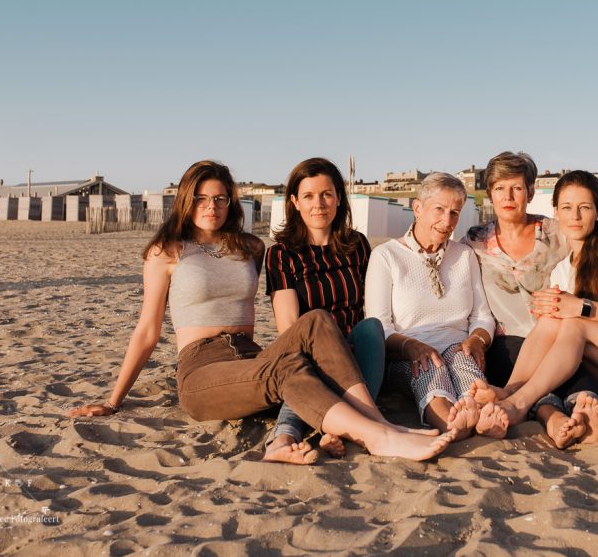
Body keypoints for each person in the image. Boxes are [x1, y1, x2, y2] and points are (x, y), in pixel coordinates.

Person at [68, 160, 454, 463]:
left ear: (231, 203)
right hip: (202, 366)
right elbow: (147, 330)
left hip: (251, 355)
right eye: (201, 198)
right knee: (289, 367)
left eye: (220, 199)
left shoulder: (250, 248)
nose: (212, 207)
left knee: (316, 323)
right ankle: (378, 434)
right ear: (186, 200)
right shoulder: (166, 252)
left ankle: (368, 424)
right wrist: (114, 400)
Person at [464, 152, 598, 448]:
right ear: (489, 193)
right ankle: (534, 403)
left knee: (571, 325)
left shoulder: (558, 232)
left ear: (531, 193)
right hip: (541, 343)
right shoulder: (475, 242)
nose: (574, 216)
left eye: (517, 188)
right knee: (560, 330)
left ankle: (520, 402)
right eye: (500, 188)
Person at [365, 173, 509, 441]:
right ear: (417, 208)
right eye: (439, 209)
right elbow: (378, 326)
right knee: (430, 367)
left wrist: (477, 340)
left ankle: (477, 411)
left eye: (454, 213)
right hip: (404, 354)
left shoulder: (464, 255)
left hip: (456, 346)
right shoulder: (386, 256)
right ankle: (450, 422)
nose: (447, 221)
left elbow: (481, 316)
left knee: (463, 359)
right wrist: (411, 346)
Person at [264, 157, 386, 461]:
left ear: (338, 198)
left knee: (372, 329)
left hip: (358, 351)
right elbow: (289, 328)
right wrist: (330, 353)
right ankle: (286, 436)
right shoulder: (281, 254)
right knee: (309, 369)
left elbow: (372, 305)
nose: (318, 204)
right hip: (312, 355)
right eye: (308, 196)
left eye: (326, 194)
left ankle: (343, 427)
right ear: (294, 202)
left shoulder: (357, 245)